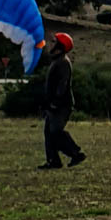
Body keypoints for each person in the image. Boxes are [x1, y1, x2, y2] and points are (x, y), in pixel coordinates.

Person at [38, 32, 86, 169]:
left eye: (53, 42)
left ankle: (76, 153)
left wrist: (55, 102)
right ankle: (53, 161)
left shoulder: (63, 62)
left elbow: (62, 85)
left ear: (60, 46)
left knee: (55, 132)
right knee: (49, 132)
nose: (50, 44)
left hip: (61, 105)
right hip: (54, 104)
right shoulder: (57, 61)